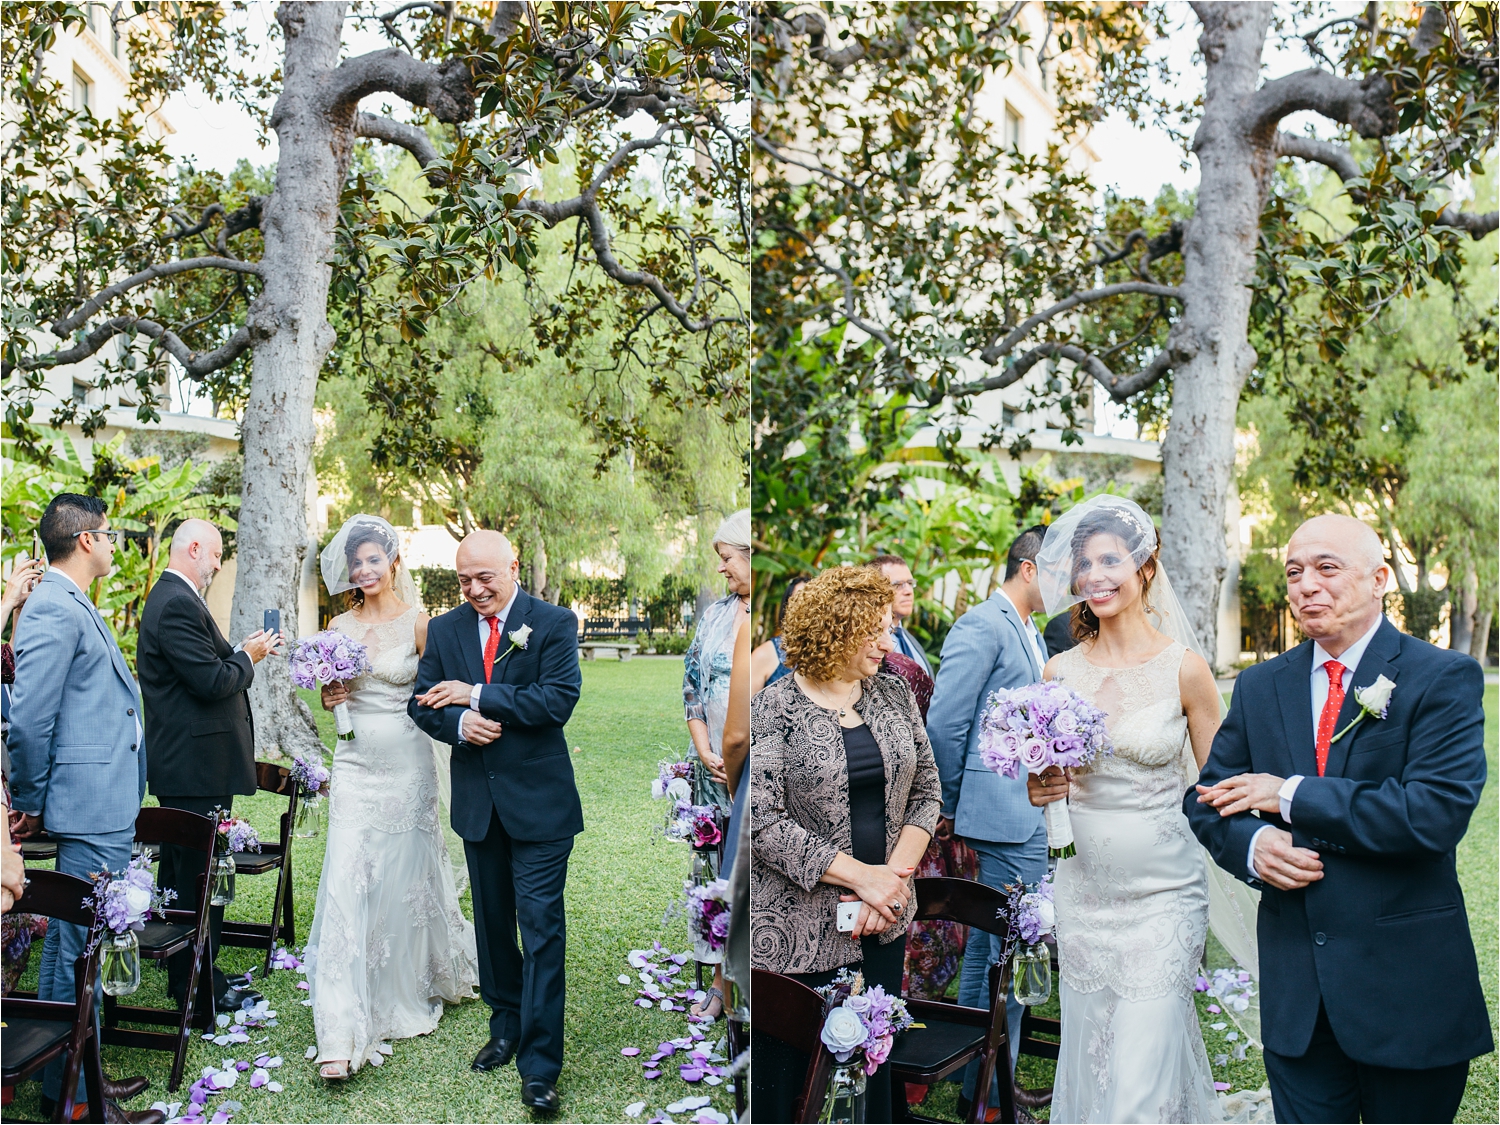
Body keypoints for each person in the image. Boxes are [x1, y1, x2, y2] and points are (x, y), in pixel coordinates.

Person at [1188, 514, 1492, 1124]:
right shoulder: (1259, 685)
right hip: (1298, 995)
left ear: (1380, 578)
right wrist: (1253, 847)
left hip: (1406, 993)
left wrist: (1290, 795)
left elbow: (1433, 813)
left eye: (1327, 568)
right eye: (1294, 572)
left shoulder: (1441, 678)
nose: (1306, 585)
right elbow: (1208, 798)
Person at [1024, 496, 1226, 1123]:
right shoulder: (1057, 672)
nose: (1095, 575)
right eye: (1084, 564)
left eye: (1110, 559)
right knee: (1093, 1057)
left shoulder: (1186, 670)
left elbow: (1220, 787)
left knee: (1138, 1081)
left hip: (1164, 897)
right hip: (1084, 896)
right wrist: (1038, 789)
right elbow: (1044, 780)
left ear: (1144, 566)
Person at [751, 566, 941, 1124]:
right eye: (874, 631)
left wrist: (893, 883)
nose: (889, 642)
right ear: (834, 630)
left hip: (883, 920)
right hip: (797, 931)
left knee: (871, 1076)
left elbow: (927, 792)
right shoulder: (773, 708)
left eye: (888, 628)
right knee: (796, 1087)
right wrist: (864, 877)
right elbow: (763, 822)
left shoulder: (894, 692)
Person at [410, 530, 582, 1115]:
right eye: (464, 580)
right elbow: (419, 702)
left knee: (540, 931)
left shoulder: (553, 622)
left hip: (540, 807)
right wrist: (458, 724)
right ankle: (504, 1024)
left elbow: (557, 699)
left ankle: (540, 1065)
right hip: (478, 808)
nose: (475, 590)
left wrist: (478, 695)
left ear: (513, 566)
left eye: (486, 578)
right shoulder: (445, 628)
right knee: (491, 928)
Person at [308, 516, 479, 1080]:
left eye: (373, 559)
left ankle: (405, 985)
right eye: (356, 563)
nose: (364, 570)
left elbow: (440, 693)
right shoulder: (337, 625)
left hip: (409, 765)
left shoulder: (420, 624)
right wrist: (333, 698)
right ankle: (338, 1027)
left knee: (405, 878)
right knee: (346, 877)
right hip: (355, 766)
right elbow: (336, 700)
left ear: (393, 564)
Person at [8, 493, 161, 1123]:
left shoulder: (73, 602)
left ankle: (72, 1079)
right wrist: (34, 802)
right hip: (85, 805)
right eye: (110, 534)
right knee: (78, 946)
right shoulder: (52, 607)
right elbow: (28, 720)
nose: (116, 544)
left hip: (102, 800)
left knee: (78, 944)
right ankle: (71, 1097)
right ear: (88, 541)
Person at [925, 524, 1050, 1112]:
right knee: (1014, 948)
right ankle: (989, 1091)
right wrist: (948, 805)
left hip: (1026, 809)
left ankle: (979, 1082)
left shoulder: (1030, 631)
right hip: (998, 812)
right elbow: (946, 722)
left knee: (990, 946)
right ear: (1029, 568)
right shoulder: (982, 623)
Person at [137, 518, 280, 1013]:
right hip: (194, 768)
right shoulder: (176, 601)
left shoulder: (176, 598)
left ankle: (198, 973)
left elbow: (204, 666)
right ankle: (197, 988)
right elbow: (212, 681)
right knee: (199, 878)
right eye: (217, 554)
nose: (219, 564)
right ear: (194, 548)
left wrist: (235, 652)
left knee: (190, 874)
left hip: (194, 767)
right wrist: (250, 655)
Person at [681, 509, 751, 1021]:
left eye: (727, 559)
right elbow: (691, 688)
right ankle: (719, 982)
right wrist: (705, 748)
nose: (722, 569)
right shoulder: (715, 616)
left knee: (744, 877)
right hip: (712, 767)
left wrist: (735, 756)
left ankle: (739, 987)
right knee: (716, 876)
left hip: (751, 768)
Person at [871, 554, 932, 677]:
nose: (908, 591)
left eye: (910, 583)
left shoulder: (911, 641)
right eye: (898, 585)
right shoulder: (869, 646)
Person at [750, 575, 809, 692]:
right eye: (797, 600)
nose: (804, 606)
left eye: (810, 600)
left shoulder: (829, 657)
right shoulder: (765, 654)